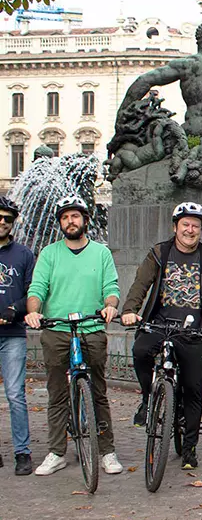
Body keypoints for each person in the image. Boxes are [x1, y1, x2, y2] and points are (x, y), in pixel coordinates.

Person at [121, 202, 202, 470]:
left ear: (201, 230)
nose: (190, 230)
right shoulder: (159, 253)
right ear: (175, 227)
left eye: (195, 226)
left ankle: (190, 448)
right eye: (185, 225)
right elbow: (140, 284)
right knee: (140, 351)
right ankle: (148, 397)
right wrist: (130, 310)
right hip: (159, 324)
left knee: (193, 388)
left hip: (193, 331)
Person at [24, 196, 123, 476]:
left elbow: (111, 287)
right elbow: (37, 289)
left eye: (76, 216)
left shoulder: (101, 253)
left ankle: (107, 451)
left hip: (91, 328)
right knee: (57, 394)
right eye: (65, 217)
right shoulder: (50, 253)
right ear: (60, 223)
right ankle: (56, 452)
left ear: (85, 220)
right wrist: (34, 312)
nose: (71, 221)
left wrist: (110, 306)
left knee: (99, 392)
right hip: (56, 330)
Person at [0, 197, 35, 475]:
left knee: (15, 394)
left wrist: (16, 309)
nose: (2, 222)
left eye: (7, 219)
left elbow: (32, 291)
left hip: (13, 333)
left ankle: (22, 453)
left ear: (13, 223)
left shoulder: (23, 254)